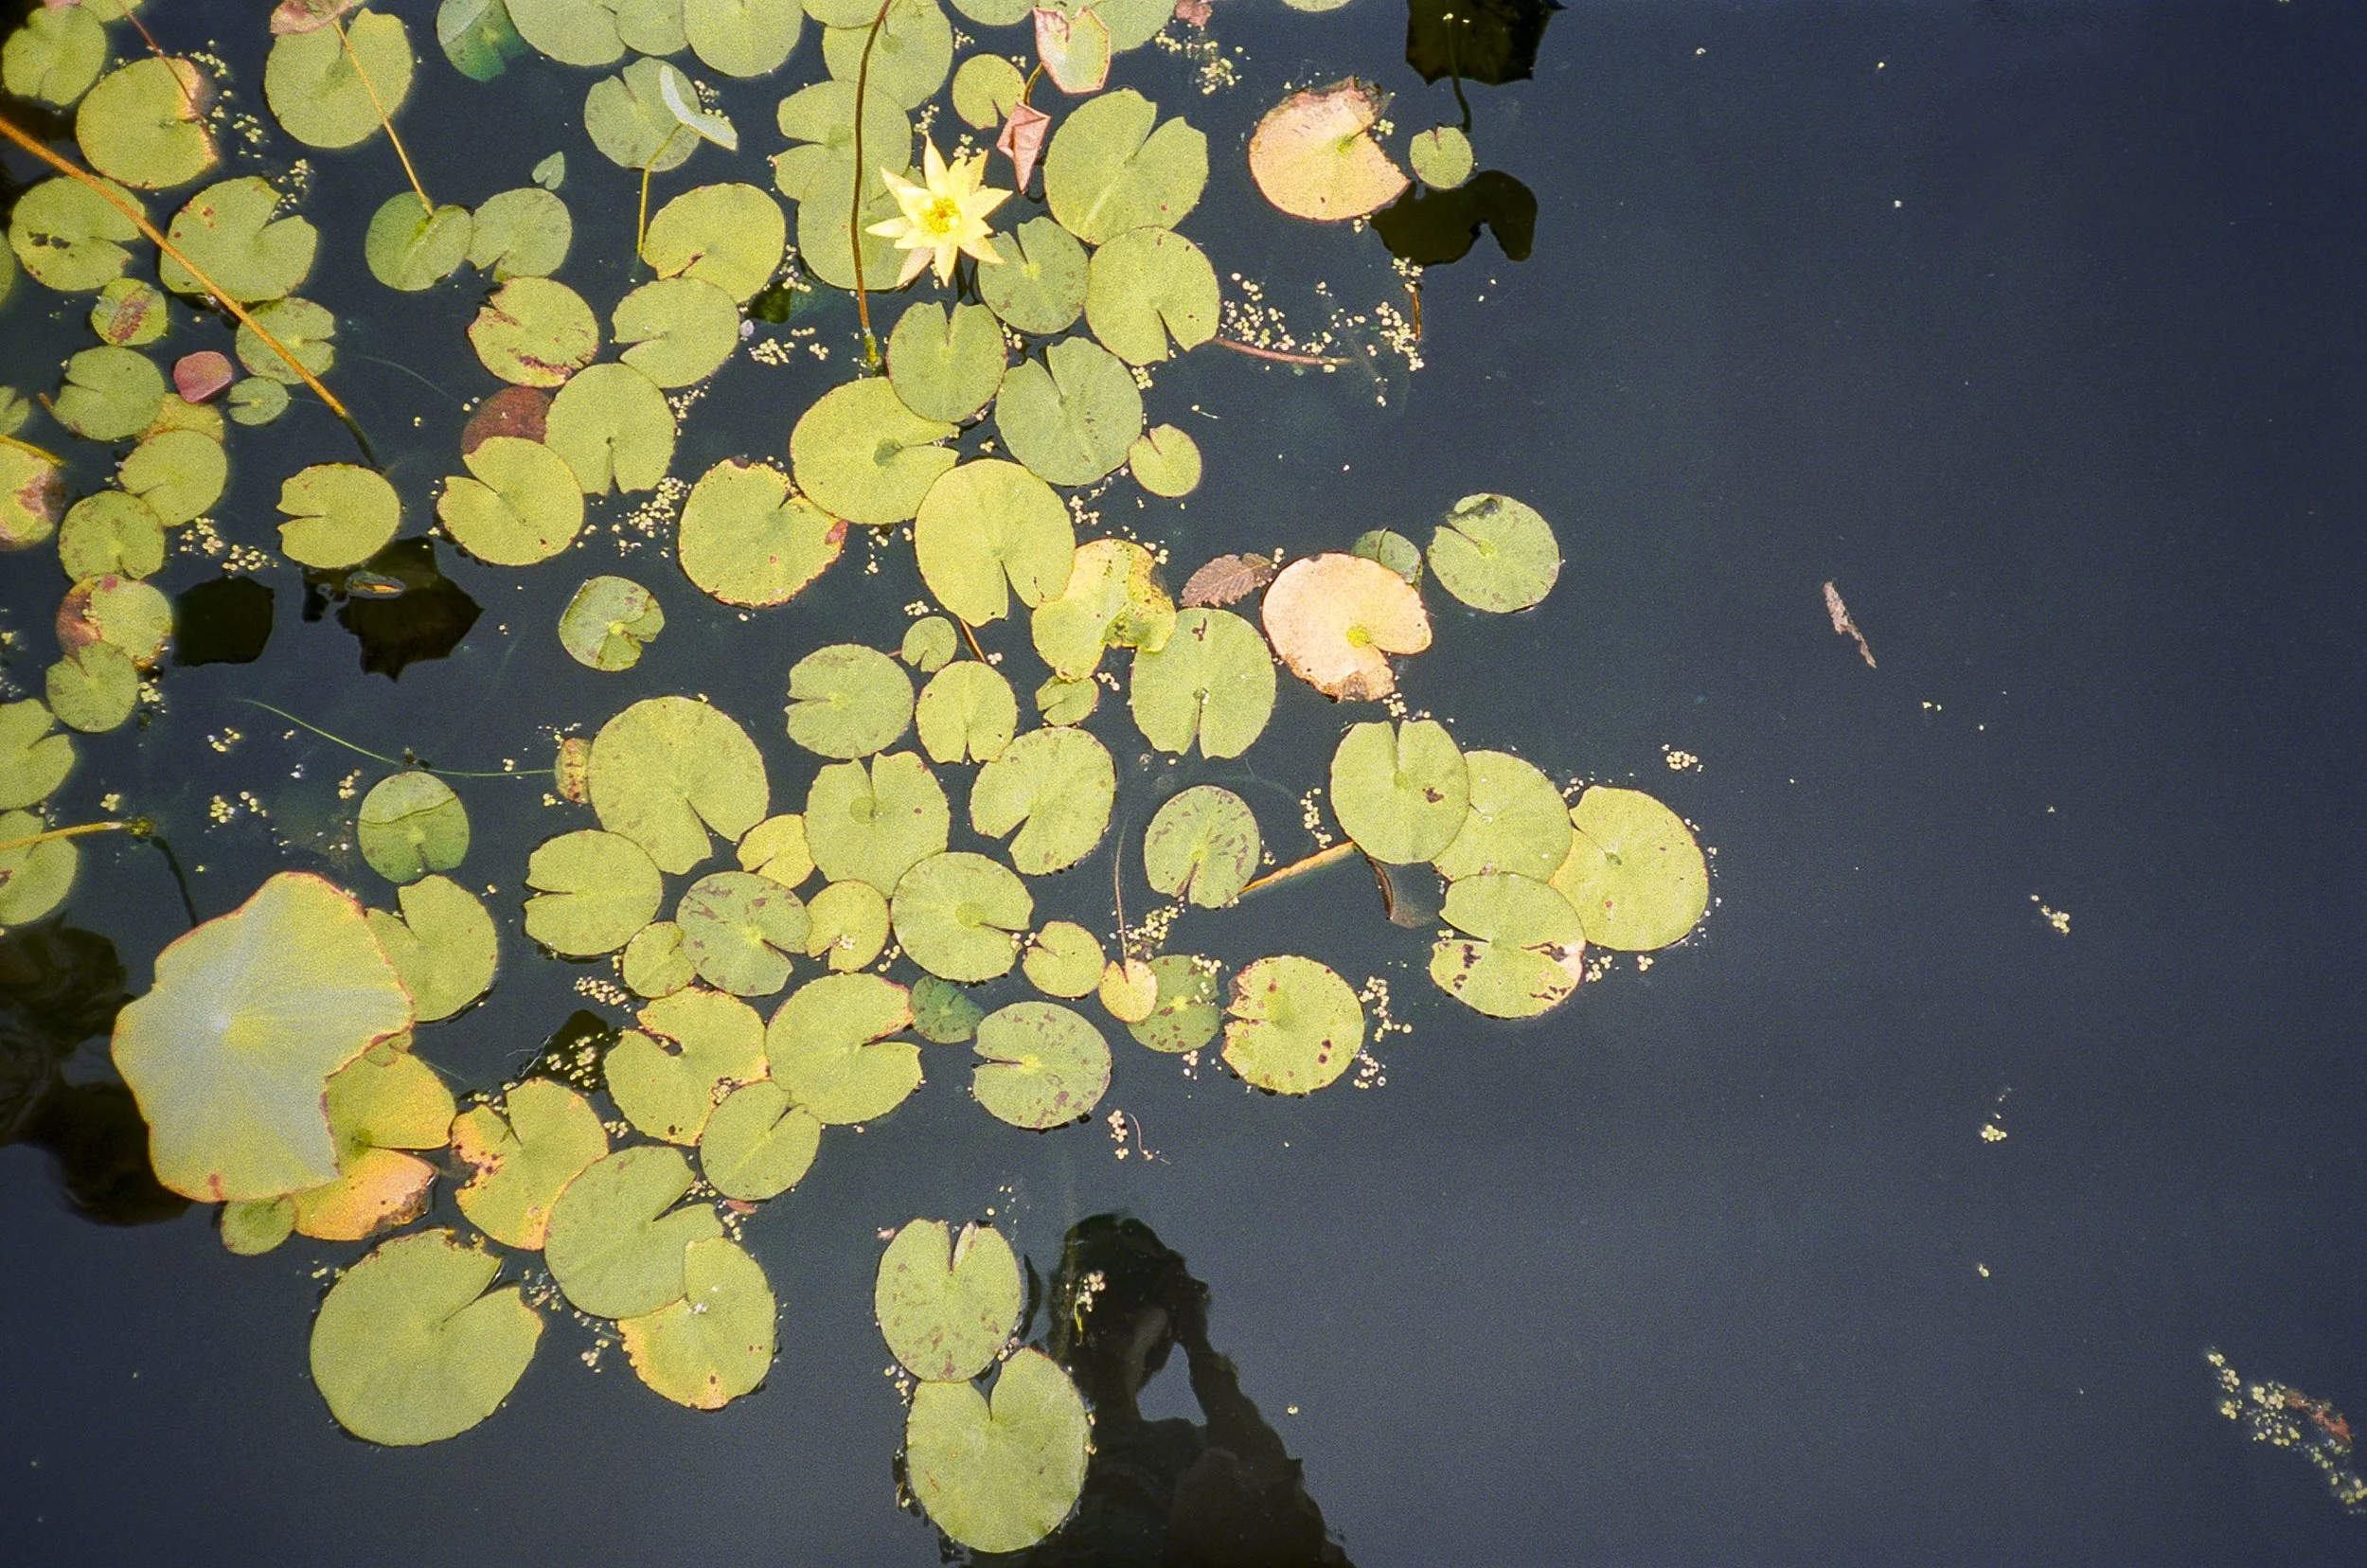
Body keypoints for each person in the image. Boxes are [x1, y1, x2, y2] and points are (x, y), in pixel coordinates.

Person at [1008, 1212, 1355, 1568]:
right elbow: (1261, 1458)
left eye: (1140, 1285)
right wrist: (1193, 1340)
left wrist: (1141, 1365)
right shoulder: (1190, 1461)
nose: (1229, 1458)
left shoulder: (1177, 1465)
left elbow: (1262, 1471)